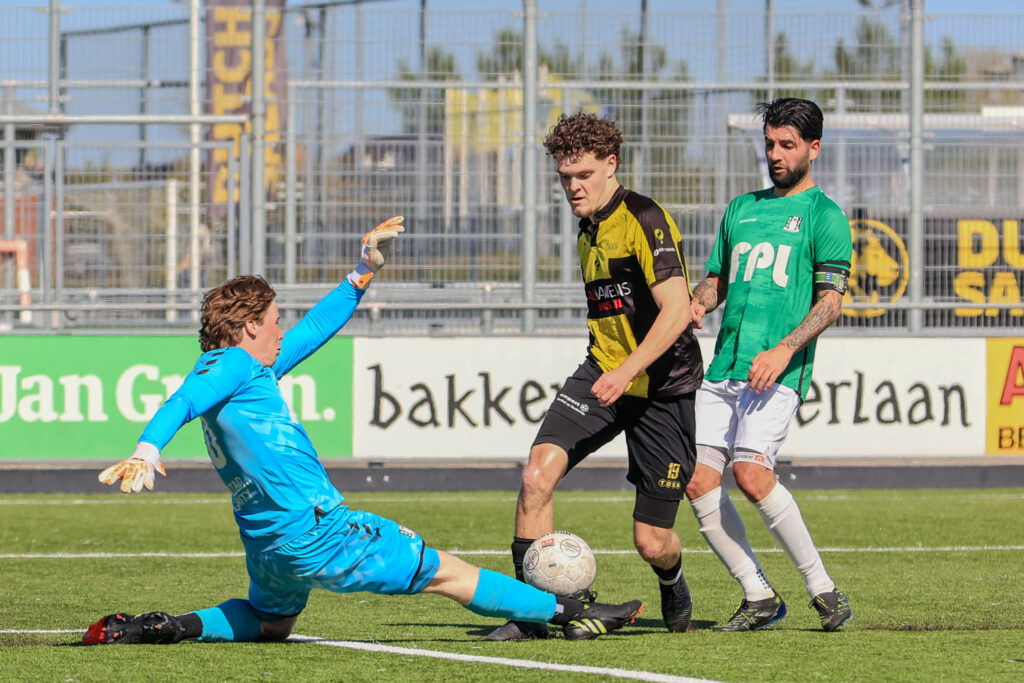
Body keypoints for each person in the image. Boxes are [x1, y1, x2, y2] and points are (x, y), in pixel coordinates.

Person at [82, 216, 642, 646]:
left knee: (272, 623)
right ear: (249, 327)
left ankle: (169, 626)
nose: (281, 330)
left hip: (268, 543)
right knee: (444, 571)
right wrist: (147, 447)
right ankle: (571, 611)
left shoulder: (249, 370)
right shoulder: (229, 365)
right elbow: (182, 400)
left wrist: (362, 271)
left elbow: (313, 330)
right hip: (318, 531)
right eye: (274, 321)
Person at [486, 113, 704, 641]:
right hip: (602, 372)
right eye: (565, 177)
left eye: (583, 175)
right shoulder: (588, 227)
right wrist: (613, 369)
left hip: (661, 386)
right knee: (536, 475)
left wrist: (627, 370)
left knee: (653, 542)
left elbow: (677, 310)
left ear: (611, 164)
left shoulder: (645, 218)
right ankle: (532, 612)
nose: (573, 187)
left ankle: (672, 581)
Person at [684, 98, 853, 633]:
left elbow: (830, 303)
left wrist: (783, 351)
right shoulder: (741, 208)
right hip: (723, 368)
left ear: (813, 149)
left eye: (787, 145)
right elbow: (717, 281)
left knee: (751, 474)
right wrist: (697, 301)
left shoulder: (825, 216)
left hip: (777, 373)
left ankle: (823, 588)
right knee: (696, 479)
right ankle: (758, 594)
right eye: (770, 144)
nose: (776, 154)